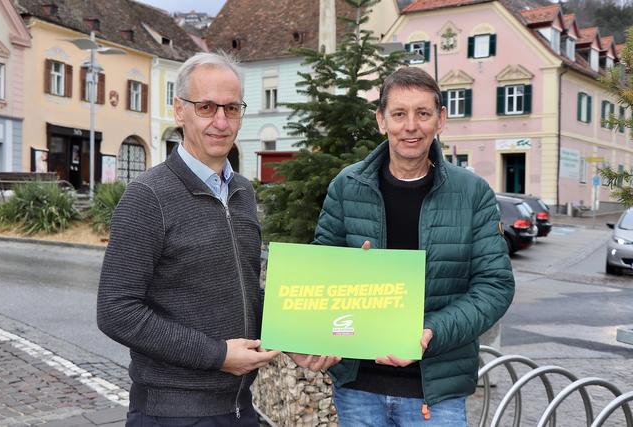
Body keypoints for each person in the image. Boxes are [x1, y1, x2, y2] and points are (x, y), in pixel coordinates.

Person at [310, 67, 515, 426]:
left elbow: (495, 286)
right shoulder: (347, 186)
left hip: (436, 392)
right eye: (399, 114)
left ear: (440, 120)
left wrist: (430, 332)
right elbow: (319, 274)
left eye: (423, 113)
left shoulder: (472, 193)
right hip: (360, 387)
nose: (411, 126)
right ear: (381, 120)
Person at [97, 52, 280, 426]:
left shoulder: (243, 191)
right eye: (207, 107)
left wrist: (306, 332)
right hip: (172, 414)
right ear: (179, 111)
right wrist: (216, 355)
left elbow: (246, 293)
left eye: (232, 108)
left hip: (240, 408)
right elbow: (116, 311)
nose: (221, 121)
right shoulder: (148, 195)